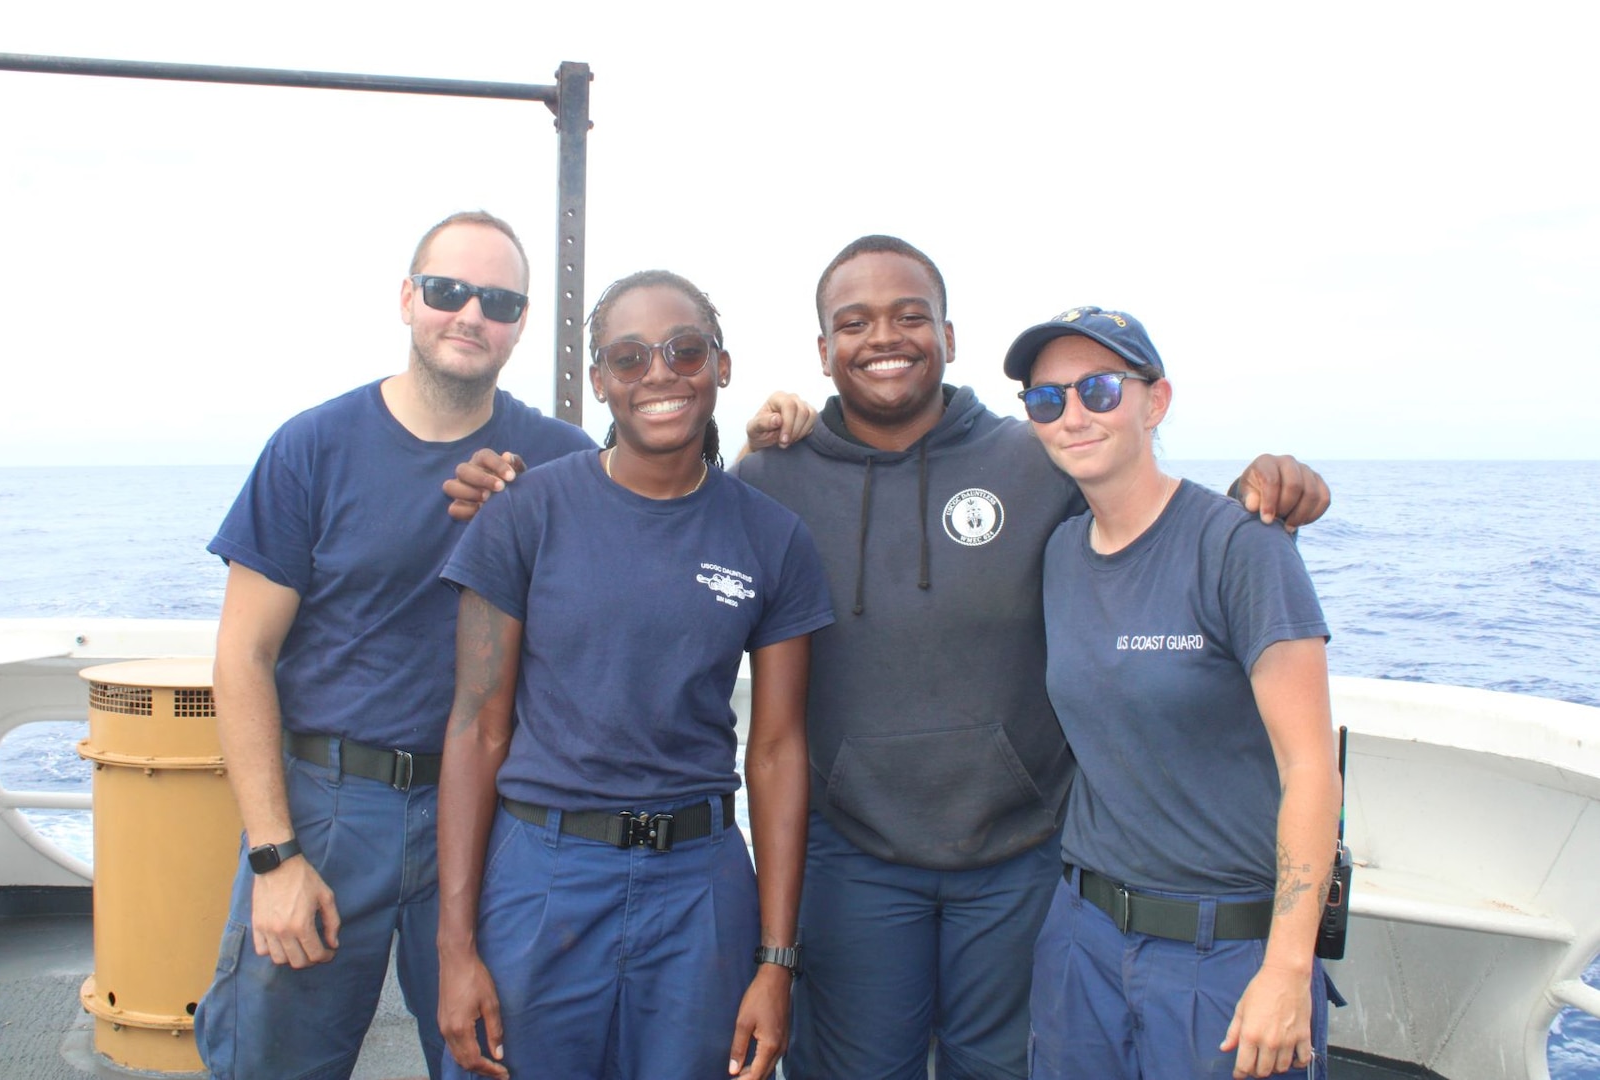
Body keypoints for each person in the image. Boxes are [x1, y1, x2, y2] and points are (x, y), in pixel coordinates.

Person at [442, 235, 1330, 1080]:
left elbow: (1142, 521)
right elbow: (658, 513)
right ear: (822, 351)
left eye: (909, 315)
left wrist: (1262, 489)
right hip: (850, 858)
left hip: (1017, 859)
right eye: (854, 323)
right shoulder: (771, 478)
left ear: (947, 337)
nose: (883, 338)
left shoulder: (1038, 456)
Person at [194, 211, 595, 1079]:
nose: (470, 315)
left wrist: (772, 436)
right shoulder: (313, 448)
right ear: (407, 298)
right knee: (275, 1062)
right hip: (331, 808)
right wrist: (274, 857)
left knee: (497, 1059)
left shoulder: (562, 464)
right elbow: (242, 658)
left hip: (495, 814)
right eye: (449, 291)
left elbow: (656, 538)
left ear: (521, 322)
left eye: (498, 300)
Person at [434, 270, 834, 1080]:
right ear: (599, 381)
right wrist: (454, 951)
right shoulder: (524, 513)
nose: (659, 374)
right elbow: (477, 728)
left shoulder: (773, 537)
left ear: (720, 366)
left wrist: (775, 959)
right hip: (542, 874)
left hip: (700, 885)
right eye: (628, 356)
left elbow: (780, 749)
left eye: (684, 350)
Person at [1005, 306, 1340, 1079]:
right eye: (1047, 400)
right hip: (1080, 935)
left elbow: (1310, 771)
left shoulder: (1242, 546)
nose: (1074, 415)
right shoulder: (1059, 551)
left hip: (1223, 948)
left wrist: (1287, 969)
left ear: (1154, 403)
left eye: (1099, 389)